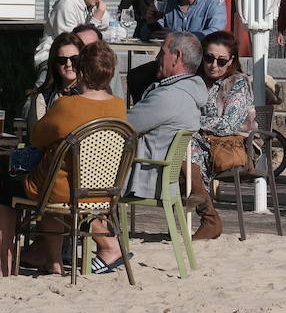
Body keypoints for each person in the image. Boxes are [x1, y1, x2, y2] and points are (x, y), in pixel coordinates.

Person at [0, 41, 127, 276]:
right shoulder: (119, 106)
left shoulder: (67, 105)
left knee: (2, 183)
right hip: (103, 191)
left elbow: (37, 137)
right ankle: (54, 262)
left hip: (63, 190)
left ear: (82, 71)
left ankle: (3, 262)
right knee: (53, 178)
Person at [186, 30, 253, 241]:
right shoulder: (195, 81)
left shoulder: (238, 83)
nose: (213, 65)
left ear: (231, 60)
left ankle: (207, 215)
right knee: (179, 147)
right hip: (203, 143)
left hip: (234, 145)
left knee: (185, 147)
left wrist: (191, 123)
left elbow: (228, 125)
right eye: (208, 58)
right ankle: (208, 216)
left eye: (221, 61)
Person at [127, 32, 208, 204]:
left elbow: (124, 126)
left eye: (162, 53)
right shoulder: (191, 91)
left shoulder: (169, 96)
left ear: (177, 56)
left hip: (144, 176)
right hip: (161, 175)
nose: (157, 58)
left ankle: (96, 224)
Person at [34, 0, 111, 67]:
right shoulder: (67, 4)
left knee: (110, 64)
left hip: (80, 57)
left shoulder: (94, 6)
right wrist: (96, 19)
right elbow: (72, 43)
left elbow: (109, 28)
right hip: (55, 58)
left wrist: (100, 16)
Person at [22, 31, 84, 136]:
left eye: (75, 59)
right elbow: (36, 136)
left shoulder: (95, 92)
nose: (68, 64)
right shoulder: (44, 97)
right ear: (55, 63)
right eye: (62, 60)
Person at [70, 23, 125, 101]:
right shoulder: (65, 65)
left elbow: (117, 98)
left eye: (93, 48)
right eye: (82, 47)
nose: (87, 53)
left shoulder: (107, 68)